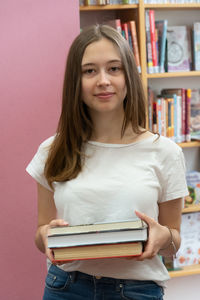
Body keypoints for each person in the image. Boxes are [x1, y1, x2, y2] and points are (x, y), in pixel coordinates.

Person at [26, 24, 188, 300]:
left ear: (128, 76)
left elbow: (173, 242)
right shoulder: (52, 149)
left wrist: (162, 237)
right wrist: (46, 236)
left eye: (114, 68)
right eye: (90, 70)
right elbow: (41, 234)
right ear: (76, 82)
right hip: (65, 288)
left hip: (137, 291)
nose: (103, 80)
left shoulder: (165, 153)